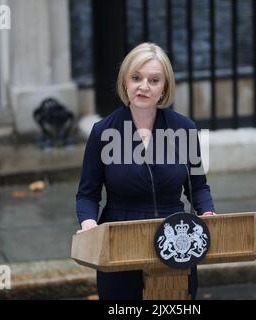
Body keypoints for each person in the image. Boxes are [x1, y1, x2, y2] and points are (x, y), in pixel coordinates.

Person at [75, 42, 215, 300]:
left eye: (154, 80)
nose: (144, 86)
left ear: (164, 89)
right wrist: (89, 225)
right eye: (136, 78)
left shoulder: (185, 129)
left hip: (176, 237)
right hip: (118, 241)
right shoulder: (103, 132)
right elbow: (87, 194)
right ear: (125, 82)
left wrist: (207, 212)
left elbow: (198, 187)